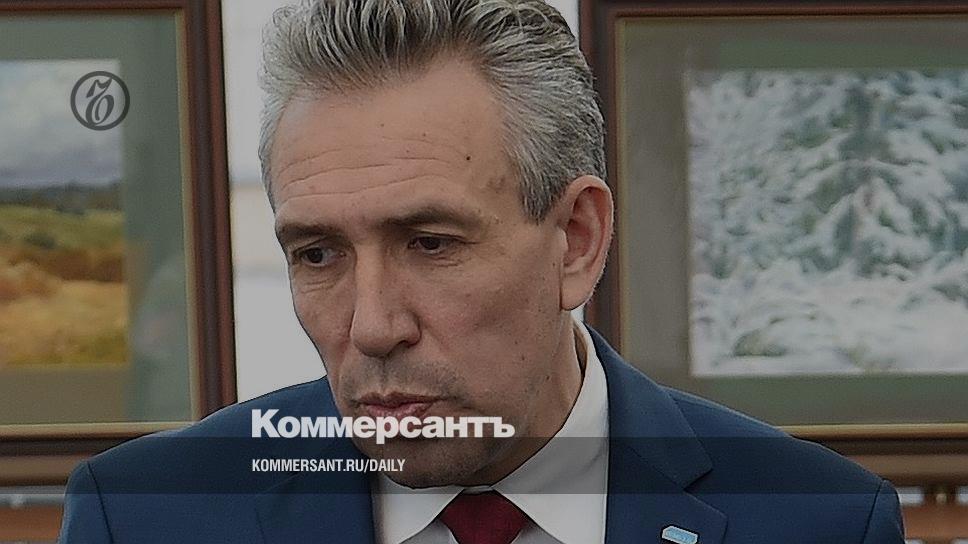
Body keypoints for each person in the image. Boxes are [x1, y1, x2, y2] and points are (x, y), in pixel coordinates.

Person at [59, 1, 905, 542]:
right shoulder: (143, 517)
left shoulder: (814, 520)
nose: (372, 326)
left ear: (577, 240)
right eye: (318, 254)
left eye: (430, 243)